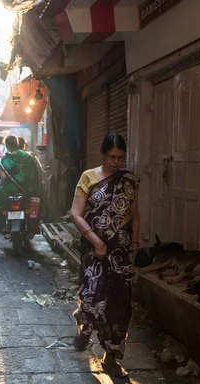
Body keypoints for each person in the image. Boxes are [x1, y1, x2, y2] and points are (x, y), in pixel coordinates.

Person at [70, 133, 140, 379]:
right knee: (92, 299)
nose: (116, 162)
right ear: (103, 154)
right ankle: (85, 326)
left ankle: (111, 357)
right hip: (94, 251)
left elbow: (133, 214)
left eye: (120, 157)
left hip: (120, 253)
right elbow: (76, 214)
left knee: (120, 305)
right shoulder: (88, 177)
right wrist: (96, 241)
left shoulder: (128, 180)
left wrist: (135, 246)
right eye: (112, 157)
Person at [0, 135, 41, 231]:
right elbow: (34, 175)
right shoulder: (28, 157)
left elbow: (2, 177)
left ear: (7, 146)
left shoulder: (5, 159)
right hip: (29, 190)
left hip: (9, 190)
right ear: (18, 144)